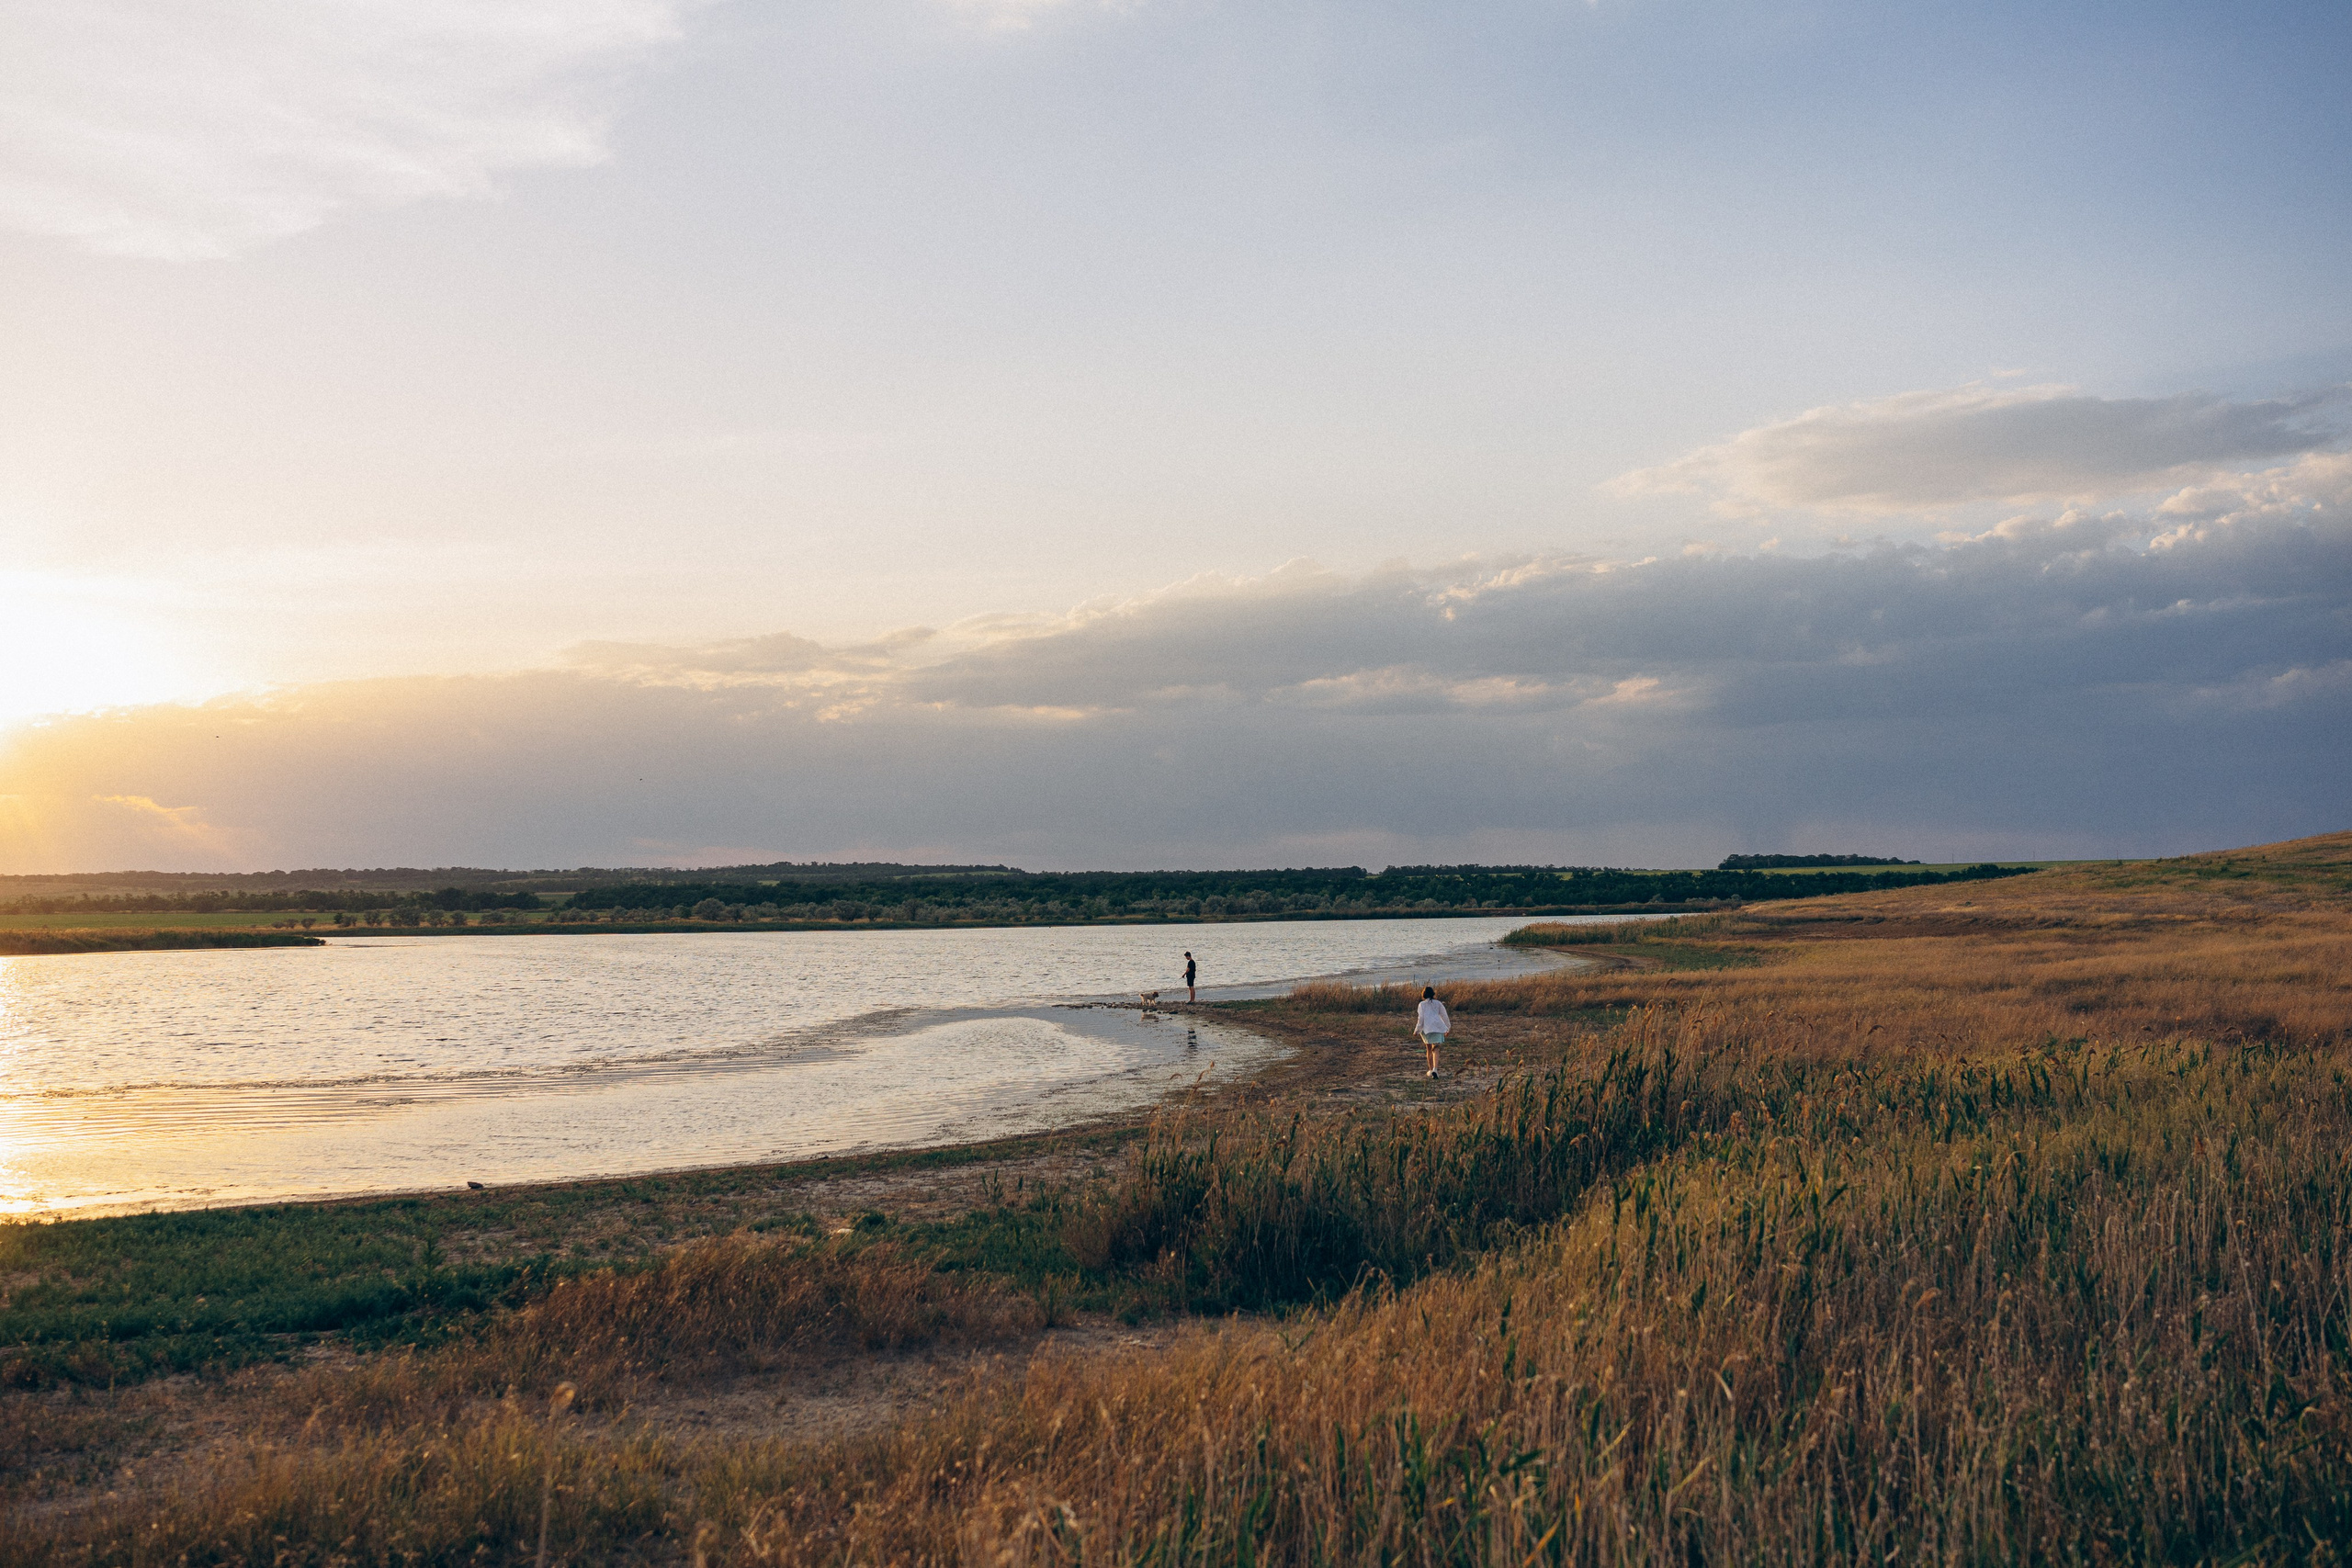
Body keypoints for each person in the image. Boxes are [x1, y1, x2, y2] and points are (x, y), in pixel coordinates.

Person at [1414, 985, 1451, 1077]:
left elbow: (1420, 1019)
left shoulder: (1421, 1005)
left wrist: (1417, 1030)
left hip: (1427, 1028)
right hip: (1437, 1027)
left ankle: (1430, 1070)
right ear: (1433, 994)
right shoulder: (1438, 1003)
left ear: (1424, 995)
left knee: (1429, 1049)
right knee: (1436, 1048)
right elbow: (1444, 1016)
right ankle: (1435, 1069)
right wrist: (1448, 1027)